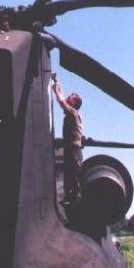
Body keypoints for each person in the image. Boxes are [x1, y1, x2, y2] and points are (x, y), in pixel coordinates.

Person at [52, 77, 83, 205]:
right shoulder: (73, 112)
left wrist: (55, 89)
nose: (68, 97)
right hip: (72, 149)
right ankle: (70, 198)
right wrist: (57, 83)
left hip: (73, 149)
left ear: (74, 102)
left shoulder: (72, 112)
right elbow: (63, 98)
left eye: (71, 96)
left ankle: (74, 200)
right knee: (70, 174)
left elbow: (61, 101)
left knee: (72, 176)